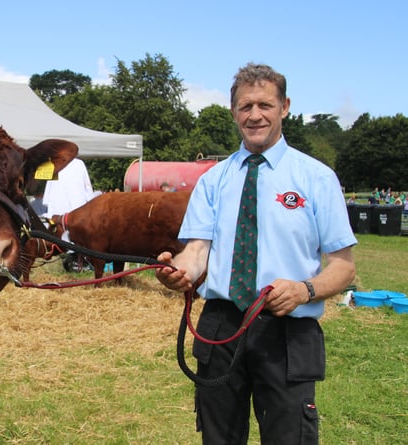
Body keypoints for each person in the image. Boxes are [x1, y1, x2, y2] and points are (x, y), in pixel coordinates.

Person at [155, 63, 357, 445]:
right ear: (234, 112)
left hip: (287, 330)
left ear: (285, 107)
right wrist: (178, 271)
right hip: (221, 325)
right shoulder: (213, 180)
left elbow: (344, 268)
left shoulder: (316, 178)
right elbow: (196, 252)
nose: (255, 115)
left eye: (265, 104)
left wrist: (305, 290)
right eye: (245, 106)